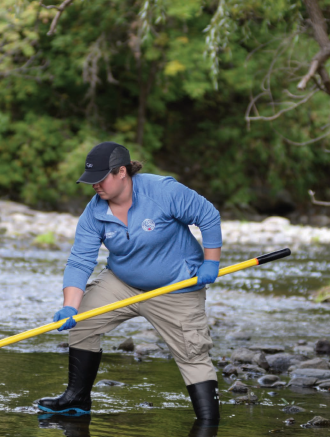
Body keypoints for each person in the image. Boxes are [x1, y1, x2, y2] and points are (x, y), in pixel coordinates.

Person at [35, 141, 223, 426]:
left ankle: (209, 421)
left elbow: (208, 216)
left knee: (192, 352)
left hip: (176, 286)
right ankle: (77, 398)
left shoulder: (163, 191)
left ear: (121, 172)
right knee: (84, 322)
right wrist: (69, 307)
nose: (94, 185)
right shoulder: (94, 212)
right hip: (123, 282)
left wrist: (211, 262)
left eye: (100, 178)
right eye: (90, 180)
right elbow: (79, 262)